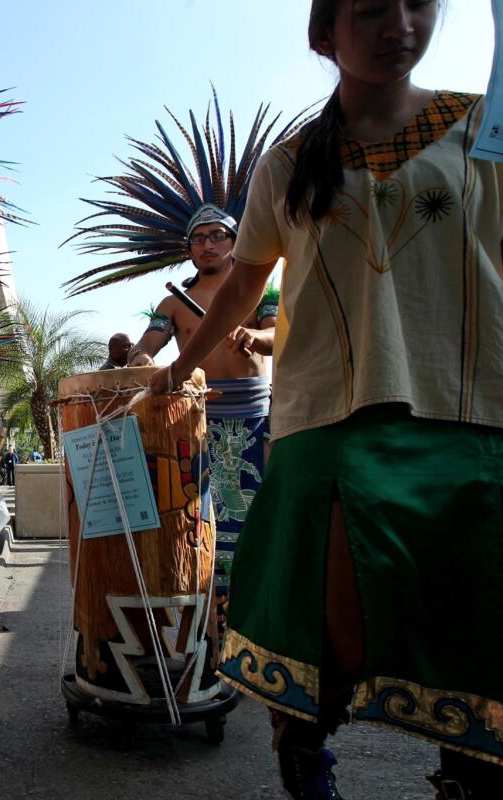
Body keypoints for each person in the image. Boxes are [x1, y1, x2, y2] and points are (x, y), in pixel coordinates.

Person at [149, 2, 503, 797]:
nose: (398, 22)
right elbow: (243, 287)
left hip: (487, 411)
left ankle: (481, 781)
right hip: (334, 417)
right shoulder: (287, 164)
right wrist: (177, 364)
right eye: (368, 8)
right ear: (325, 35)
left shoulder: (489, 126)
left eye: (416, 4)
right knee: (327, 636)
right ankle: (303, 750)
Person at [129, 201, 277, 614]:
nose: (208, 244)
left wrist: (252, 337)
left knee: (258, 518)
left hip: (255, 416)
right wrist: (141, 357)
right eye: (199, 238)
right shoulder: (173, 304)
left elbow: (278, 335)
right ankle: (208, 616)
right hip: (196, 420)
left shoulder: (265, 293)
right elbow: (146, 346)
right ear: (189, 249)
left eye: (217, 236)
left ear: (235, 242)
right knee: (196, 519)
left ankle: (253, 611)